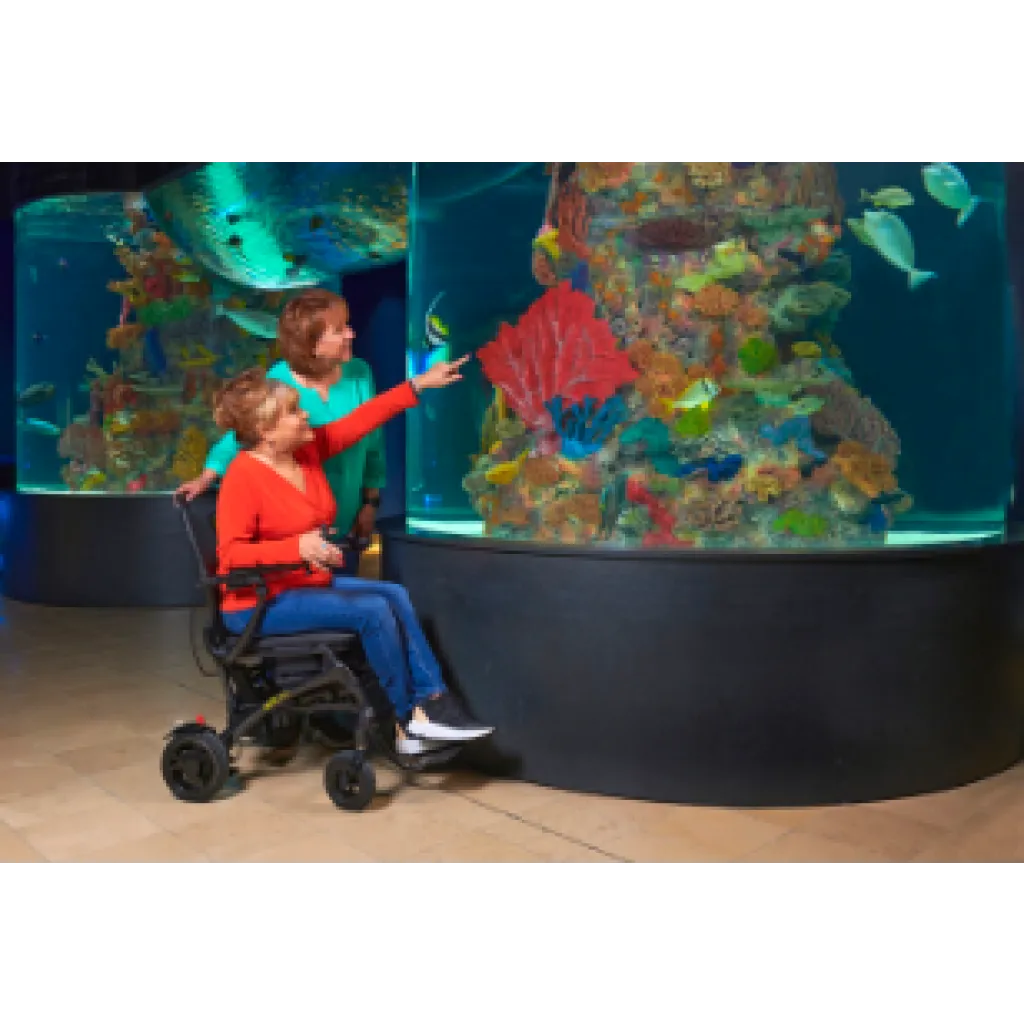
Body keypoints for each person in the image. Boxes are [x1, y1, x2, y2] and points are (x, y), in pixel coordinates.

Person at [212, 356, 492, 756]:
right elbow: (232, 555)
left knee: (393, 594)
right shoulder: (242, 477)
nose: (305, 414)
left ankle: (433, 702)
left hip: (302, 586)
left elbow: (364, 418)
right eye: (294, 411)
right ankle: (406, 722)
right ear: (265, 431)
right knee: (372, 610)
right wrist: (297, 547)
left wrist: (419, 385)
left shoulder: (305, 453)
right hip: (257, 604)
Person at [177, 289, 382, 576]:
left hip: (348, 510)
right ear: (311, 344)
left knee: (346, 598)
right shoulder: (279, 382)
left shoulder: (360, 373)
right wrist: (208, 475)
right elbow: (244, 434)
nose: (351, 334)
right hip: (296, 524)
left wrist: (370, 503)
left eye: (347, 325)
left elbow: (374, 443)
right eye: (339, 330)